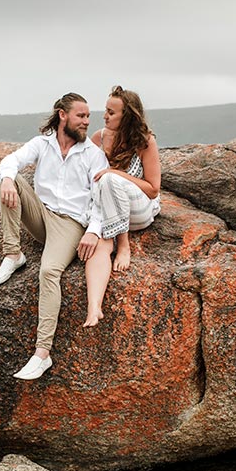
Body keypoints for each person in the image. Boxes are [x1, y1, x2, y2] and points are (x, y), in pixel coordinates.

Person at [0, 92, 109, 380]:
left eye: (88, 117)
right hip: (41, 215)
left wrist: (92, 231)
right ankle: (13, 254)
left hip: (70, 224)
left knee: (49, 271)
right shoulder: (43, 144)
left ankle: (43, 354)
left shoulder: (93, 154)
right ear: (62, 115)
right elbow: (11, 161)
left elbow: (102, 199)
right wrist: (6, 179)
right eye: (81, 116)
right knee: (12, 178)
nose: (86, 122)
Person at [83, 86, 161, 327]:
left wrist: (116, 173)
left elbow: (152, 188)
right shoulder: (98, 138)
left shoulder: (145, 141)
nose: (104, 116)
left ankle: (124, 246)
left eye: (111, 112)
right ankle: (94, 308)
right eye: (105, 111)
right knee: (100, 245)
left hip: (139, 208)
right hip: (109, 207)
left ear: (127, 116)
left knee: (108, 179)